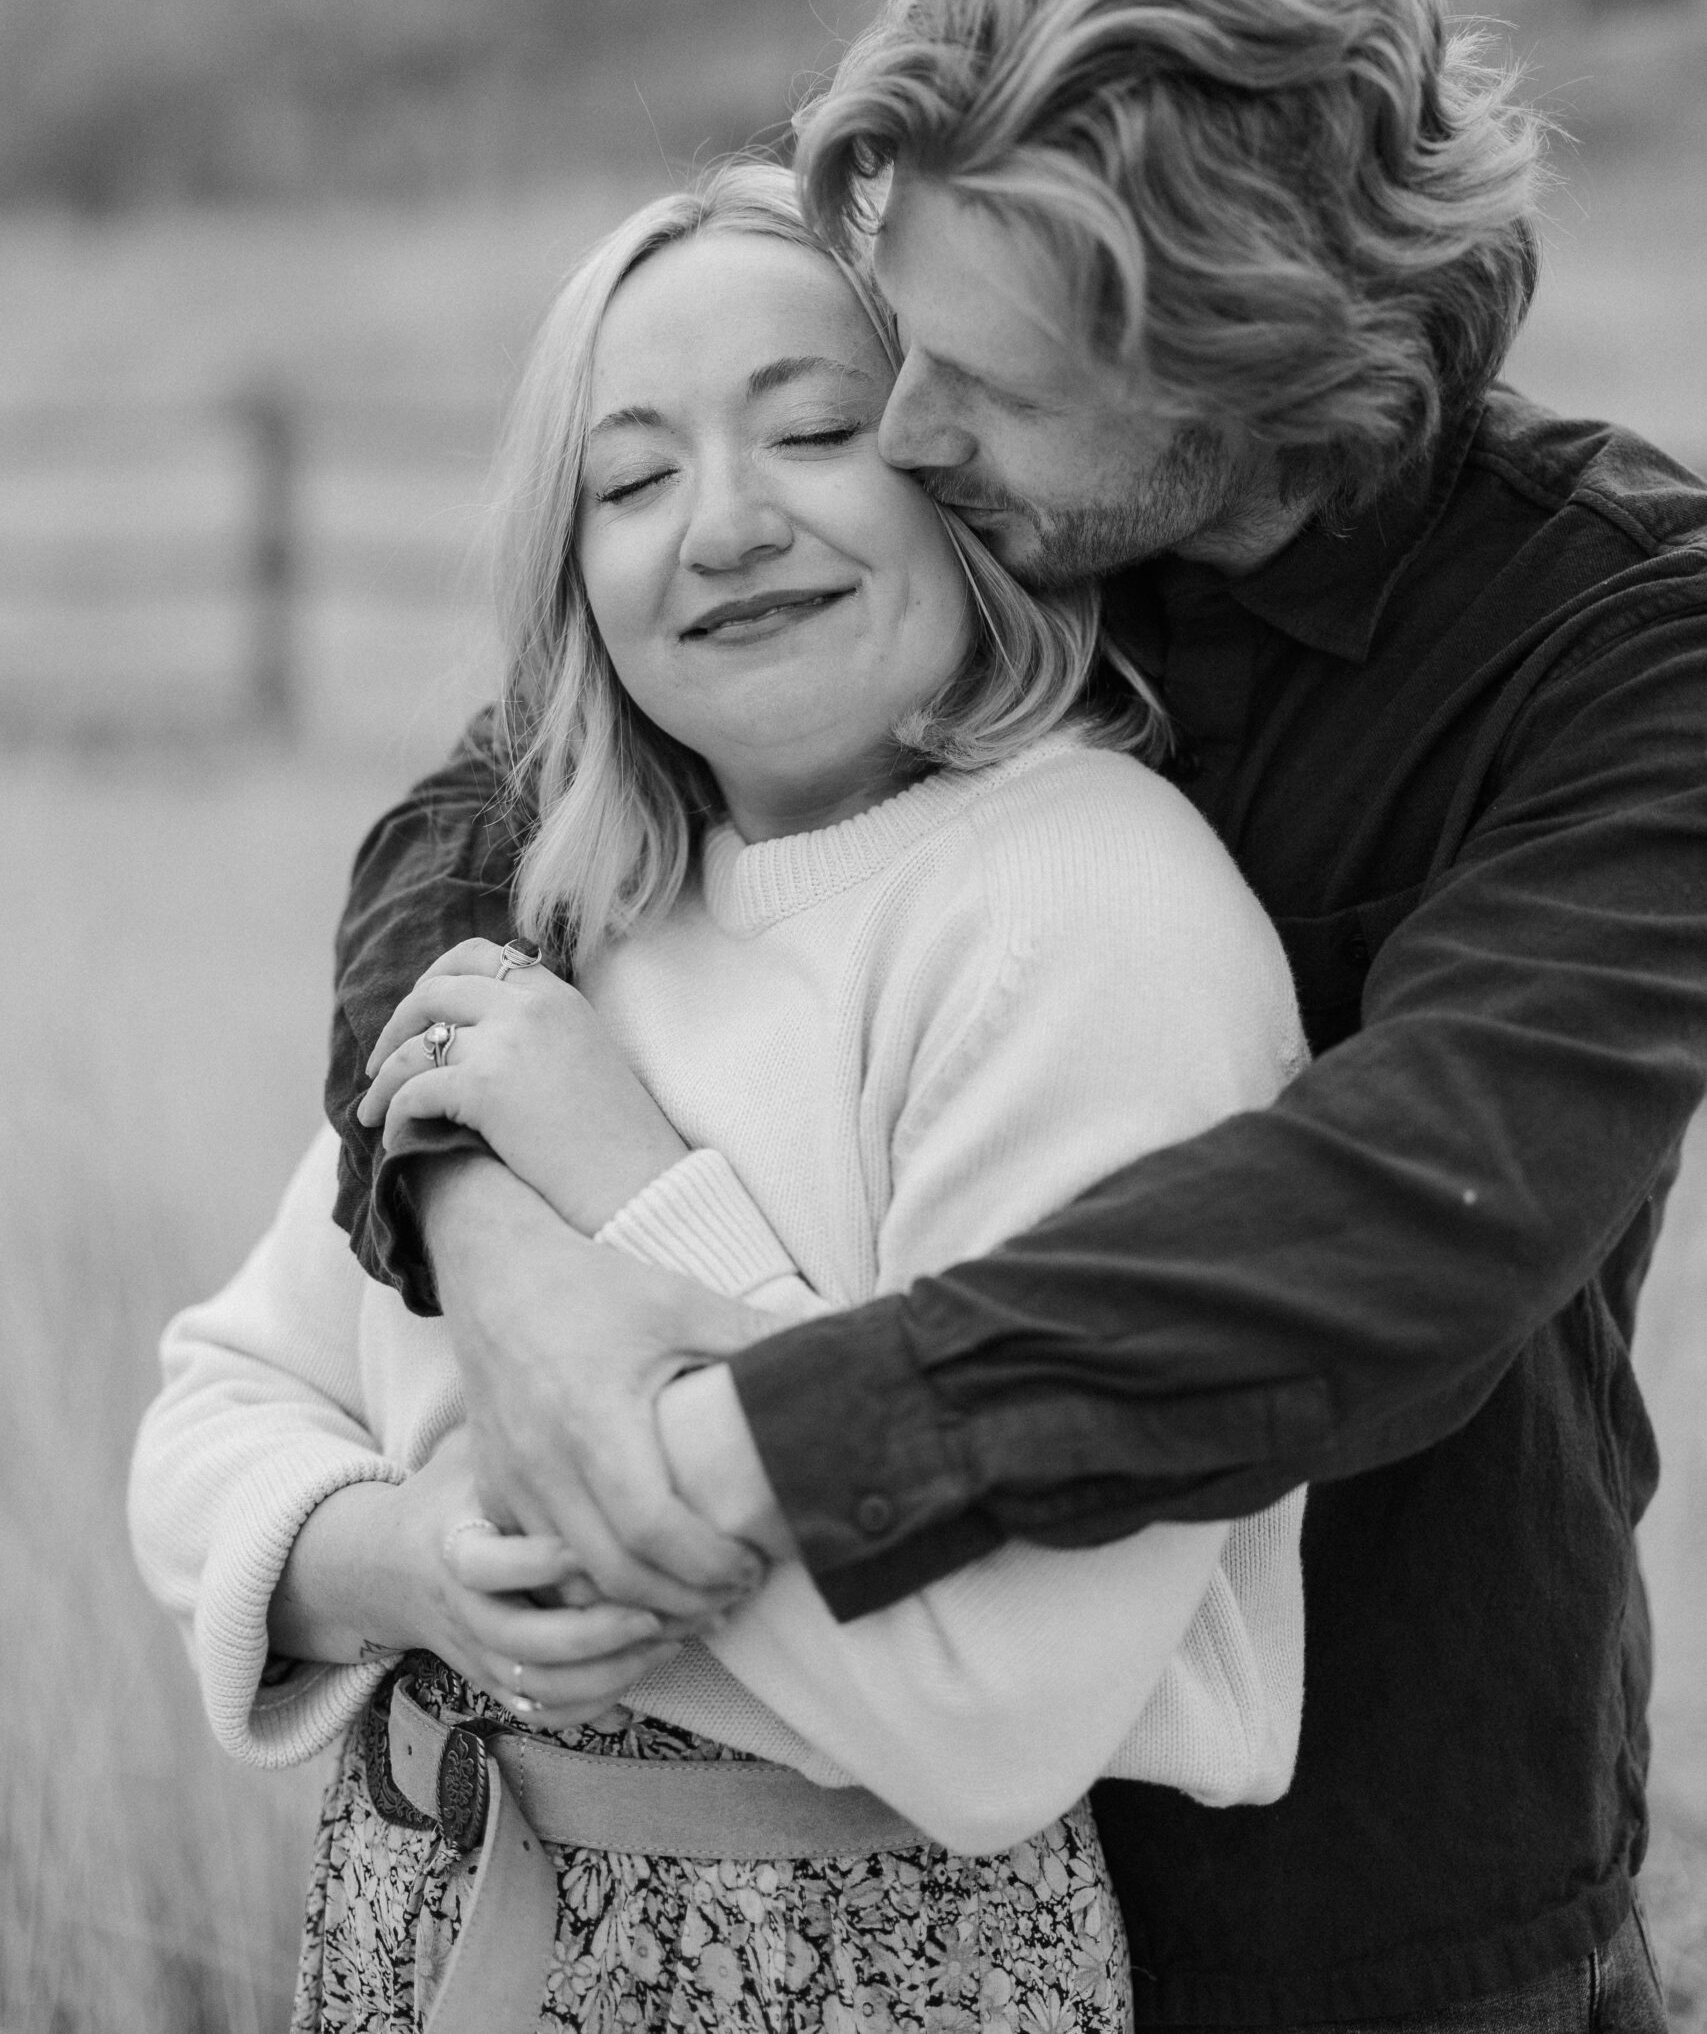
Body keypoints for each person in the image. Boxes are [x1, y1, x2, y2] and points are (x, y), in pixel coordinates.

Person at [319, 0, 1707, 2030]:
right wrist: (485, 1221)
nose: (899, 419)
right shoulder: (1000, 499)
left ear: (1240, 352)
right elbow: (489, 802)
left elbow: (1401, 1226)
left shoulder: (1629, 652)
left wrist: (704, 1443)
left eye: (980, 372)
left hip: (1355, 1887)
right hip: (839, 1876)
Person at [130, 163, 1310, 2034]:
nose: (727, 525)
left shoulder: (1090, 912)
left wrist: (627, 1183)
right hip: (432, 1917)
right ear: (571, 567)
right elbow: (221, 1405)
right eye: (630, 478)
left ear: (961, 462)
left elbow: (991, 1701)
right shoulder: (561, 911)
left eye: (815, 429)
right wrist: (410, 1569)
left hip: (856, 1960)